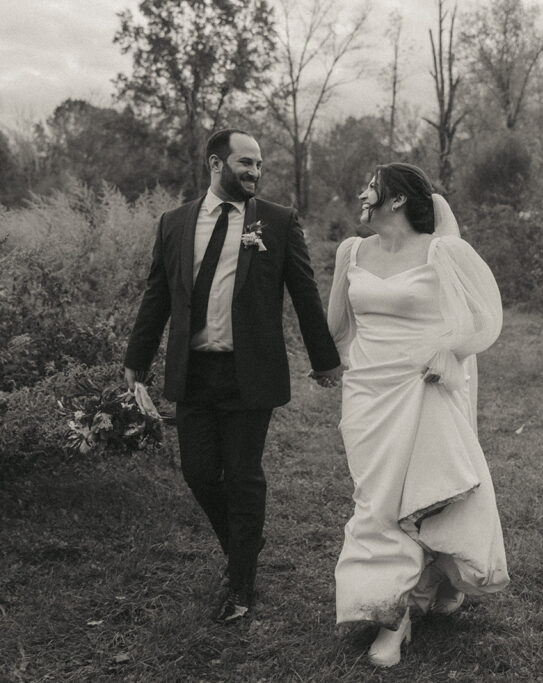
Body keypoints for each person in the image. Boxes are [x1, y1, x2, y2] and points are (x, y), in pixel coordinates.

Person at [124, 129, 342, 624]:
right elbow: (157, 295)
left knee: (243, 477)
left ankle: (241, 580)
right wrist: (136, 357)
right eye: (246, 163)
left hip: (250, 372)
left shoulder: (279, 223)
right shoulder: (175, 223)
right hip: (193, 370)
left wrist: (325, 360)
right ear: (215, 163)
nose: (255, 172)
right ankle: (246, 542)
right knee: (198, 473)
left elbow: (305, 295)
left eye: (260, 165)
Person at [326, 163, 509, 667]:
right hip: (367, 393)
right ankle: (427, 582)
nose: (362, 194)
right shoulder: (351, 252)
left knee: (413, 496)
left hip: (423, 389)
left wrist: (449, 351)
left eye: (371, 187)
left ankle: (394, 618)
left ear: (398, 199)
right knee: (374, 499)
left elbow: (485, 318)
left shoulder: (442, 251)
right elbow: (338, 326)